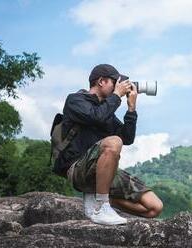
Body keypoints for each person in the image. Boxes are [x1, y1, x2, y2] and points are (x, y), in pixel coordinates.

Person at [53, 64, 163, 225]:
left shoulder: (107, 111)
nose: (117, 88)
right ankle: (100, 206)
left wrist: (131, 109)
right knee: (113, 142)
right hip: (77, 169)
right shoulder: (75, 100)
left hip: (102, 172)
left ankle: (101, 198)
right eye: (115, 83)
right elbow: (95, 116)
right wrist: (117, 96)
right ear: (101, 81)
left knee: (155, 207)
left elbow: (127, 138)